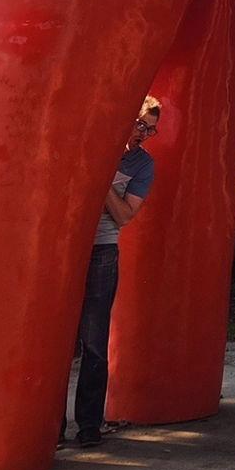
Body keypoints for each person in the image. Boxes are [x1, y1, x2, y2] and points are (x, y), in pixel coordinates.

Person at [64, 96, 161, 448]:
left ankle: (89, 425)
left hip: (102, 251)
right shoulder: (87, 142)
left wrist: (102, 177)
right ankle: (50, 425)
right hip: (64, 251)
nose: (144, 134)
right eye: (141, 125)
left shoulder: (143, 166)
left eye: (151, 130)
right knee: (57, 340)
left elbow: (123, 216)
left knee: (94, 341)